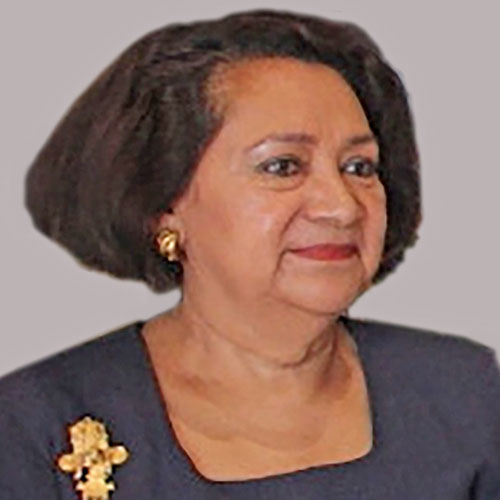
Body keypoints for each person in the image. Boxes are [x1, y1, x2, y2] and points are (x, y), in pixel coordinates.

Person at [1, 8, 499, 499]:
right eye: (283, 166)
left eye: (359, 167)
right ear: (163, 205)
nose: (342, 206)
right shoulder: (35, 425)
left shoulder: (465, 393)